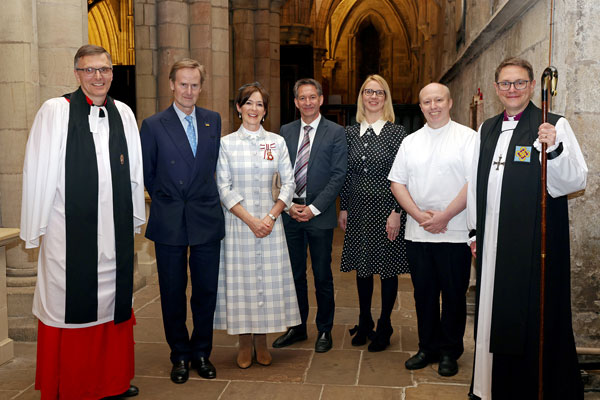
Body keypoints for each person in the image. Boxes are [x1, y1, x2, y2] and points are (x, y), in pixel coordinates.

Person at [20, 44, 144, 399]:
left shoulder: (123, 112)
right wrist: (35, 228)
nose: (98, 77)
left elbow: (133, 171)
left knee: (111, 305)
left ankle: (112, 381)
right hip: (67, 233)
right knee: (70, 304)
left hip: (114, 231)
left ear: (112, 73)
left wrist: (134, 217)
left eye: (104, 70)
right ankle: (71, 385)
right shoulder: (55, 112)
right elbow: (37, 171)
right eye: (90, 70)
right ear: (77, 74)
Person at [467, 57, 587, 400]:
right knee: (492, 312)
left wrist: (554, 149)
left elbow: (574, 181)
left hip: (532, 246)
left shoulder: (552, 124)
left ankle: (523, 390)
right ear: (495, 89)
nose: (512, 89)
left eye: (520, 83)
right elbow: (476, 183)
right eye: (505, 83)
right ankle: (488, 387)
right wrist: (475, 232)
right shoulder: (486, 128)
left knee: (529, 315)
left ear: (533, 86)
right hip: (491, 245)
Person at [140, 58, 224, 383]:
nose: (189, 90)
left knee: (205, 291)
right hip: (171, 218)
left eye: (194, 84)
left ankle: (202, 351)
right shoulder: (153, 124)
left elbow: (214, 166)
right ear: (172, 85)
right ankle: (179, 355)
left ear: (201, 87)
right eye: (183, 83)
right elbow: (147, 173)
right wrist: (168, 199)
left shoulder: (212, 121)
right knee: (173, 291)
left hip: (205, 217)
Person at [389, 82, 476, 377]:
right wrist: (418, 215)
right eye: (427, 102)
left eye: (438, 100)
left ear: (450, 103)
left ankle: (450, 350)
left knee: (453, 294)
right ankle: (427, 347)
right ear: (420, 106)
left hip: (455, 231)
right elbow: (397, 183)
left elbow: (473, 183)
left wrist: (445, 216)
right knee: (423, 294)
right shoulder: (410, 141)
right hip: (418, 232)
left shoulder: (468, 138)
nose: (433, 106)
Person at [213, 82, 301, 369]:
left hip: (270, 223)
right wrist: (251, 220)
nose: (254, 109)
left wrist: (271, 216)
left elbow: (289, 183)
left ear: (265, 110)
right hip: (239, 224)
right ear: (239, 108)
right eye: (248, 103)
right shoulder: (226, 143)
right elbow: (223, 187)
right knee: (242, 282)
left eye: (259, 104)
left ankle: (261, 342)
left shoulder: (275, 142)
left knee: (266, 281)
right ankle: (243, 343)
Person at [272, 78, 347, 353]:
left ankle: (324, 329)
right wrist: (290, 205)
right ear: (295, 102)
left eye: (312, 97)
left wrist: (314, 209)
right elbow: (280, 173)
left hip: (320, 215)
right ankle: (297, 326)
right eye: (302, 98)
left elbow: (339, 175)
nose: (308, 102)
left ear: (321, 99)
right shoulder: (285, 131)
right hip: (290, 214)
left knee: (322, 275)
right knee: (294, 274)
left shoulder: (336, 132)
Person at [338, 74, 409, 352]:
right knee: (363, 267)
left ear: (385, 98)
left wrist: (396, 212)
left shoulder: (396, 133)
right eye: (368, 91)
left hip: (386, 207)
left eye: (379, 92)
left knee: (387, 269)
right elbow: (345, 174)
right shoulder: (349, 133)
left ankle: (385, 323)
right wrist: (344, 207)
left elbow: (403, 175)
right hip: (357, 208)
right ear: (362, 97)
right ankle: (364, 320)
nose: (373, 96)